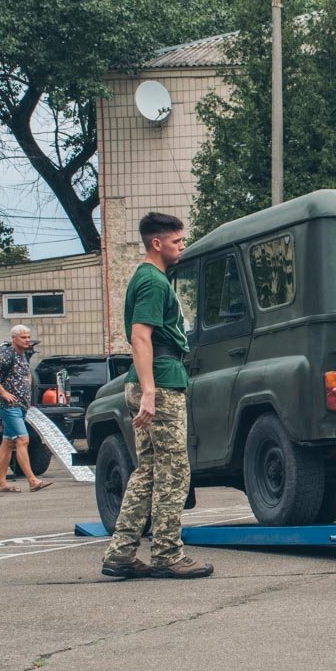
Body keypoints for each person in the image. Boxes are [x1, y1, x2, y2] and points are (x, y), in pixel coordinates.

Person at [101, 212, 212, 580]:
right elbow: (140, 336)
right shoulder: (153, 282)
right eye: (177, 241)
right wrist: (150, 391)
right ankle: (167, 554)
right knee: (174, 470)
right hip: (160, 383)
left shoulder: (149, 278)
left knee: (147, 471)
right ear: (157, 243)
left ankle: (121, 553)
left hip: (153, 380)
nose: (182, 246)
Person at [0, 325, 53, 493]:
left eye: (28, 337)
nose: (27, 340)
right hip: (9, 405)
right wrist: (3, 392)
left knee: (7, 442)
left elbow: (24, 376)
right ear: (14, 339)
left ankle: (1, 483)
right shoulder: (8, 354)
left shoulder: (23, 356)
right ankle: (32, 480)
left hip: (20, 406)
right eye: (23, 337)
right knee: (23, 439)